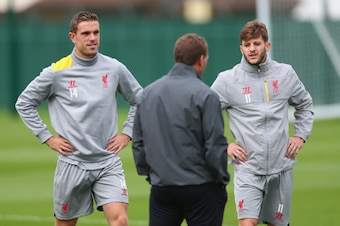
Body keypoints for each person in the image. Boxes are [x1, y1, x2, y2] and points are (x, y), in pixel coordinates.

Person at [15, 11, 143, 226]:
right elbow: (24, 103)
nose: (92, 38)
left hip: (107, 161)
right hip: (72, 163)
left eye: (96, 32)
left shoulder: (114, 68)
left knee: (120, 221)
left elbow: (140, 100)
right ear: (73, 37)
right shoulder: (56, 72)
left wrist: (127, 133)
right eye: (86, 33)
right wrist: (47, 137)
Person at [211, 20, 314, 226]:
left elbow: (305, 104)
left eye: (256, 44)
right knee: (247, 223)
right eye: (247, 44)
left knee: (277, 224)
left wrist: (300, 135)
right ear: (241, 47)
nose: (251, 49)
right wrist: (224, 145)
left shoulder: (285, 74)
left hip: (281, 168)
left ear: (267, 46)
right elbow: (204, 115)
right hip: (248, 168)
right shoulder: (227, 80)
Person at [132, 33, 230, 226]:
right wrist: (221, 178)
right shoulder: (206, 95)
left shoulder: (147, 94)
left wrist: (150, 174)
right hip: (201, 187)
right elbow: (214, 144)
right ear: (201, 59)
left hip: (162, 188)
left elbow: (138, 142)